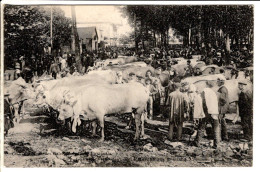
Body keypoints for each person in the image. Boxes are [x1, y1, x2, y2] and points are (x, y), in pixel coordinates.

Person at [201, 81, 220, 148]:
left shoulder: (204, 91)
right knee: (216, 128)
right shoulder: (214, 93)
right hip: (214, 112)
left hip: (206, 112)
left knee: (201, 127)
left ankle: (197, 142)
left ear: (206, 84)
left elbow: (203, 102)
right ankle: (217, 144)